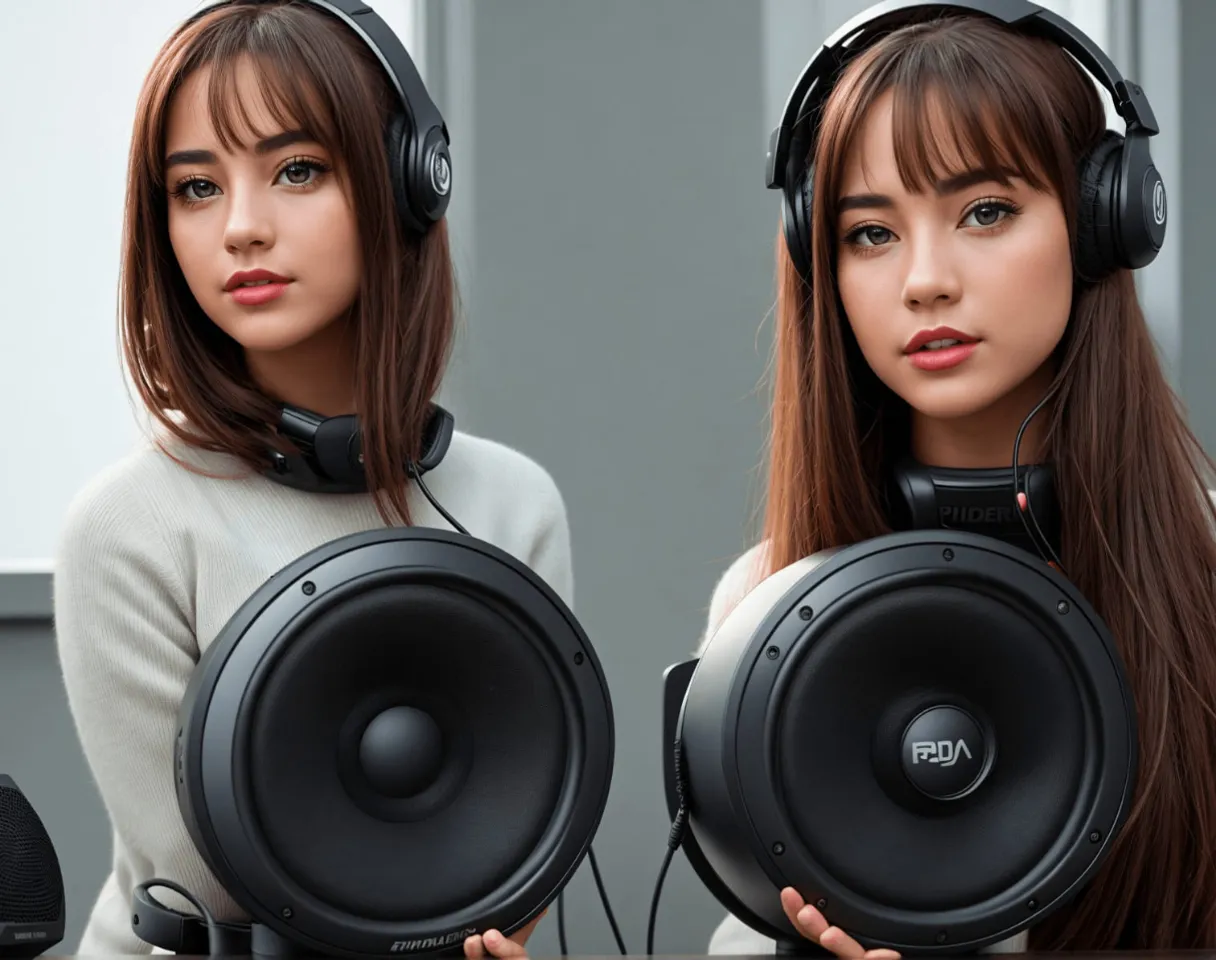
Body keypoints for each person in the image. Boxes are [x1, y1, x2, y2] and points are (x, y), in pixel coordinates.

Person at [697, 6, 1216, 960]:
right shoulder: (768, 602)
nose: (925, 280)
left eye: (985, 211)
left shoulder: (1207, 574)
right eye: (868, 234)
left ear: (1107, 220)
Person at [52, 3, 564, 958]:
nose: (241, 227)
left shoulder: (513, 503)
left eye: (296, 171)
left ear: (407, 187)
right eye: (196, 188)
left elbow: (530, 838)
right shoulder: (127, 526)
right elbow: (222, 876)